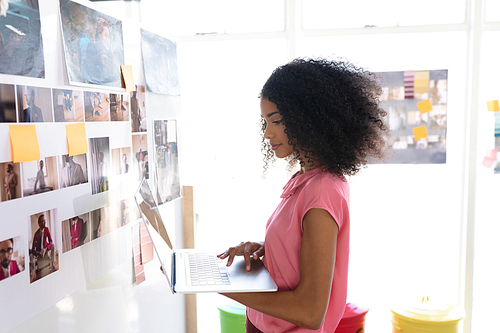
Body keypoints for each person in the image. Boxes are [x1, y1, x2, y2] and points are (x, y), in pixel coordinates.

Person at [217, 57, 389, 332]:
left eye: (276, 121)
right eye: (265, 122)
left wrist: (220, 285)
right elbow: (301, 246)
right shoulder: (307, 179)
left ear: (307, 118)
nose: (268, 133)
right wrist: (266, 247)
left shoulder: (322, 190)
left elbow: (310, 312)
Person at [81, 18, 119, 86]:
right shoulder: (92, 48)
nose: (108, 40)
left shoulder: (109, 54)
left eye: (109, 37)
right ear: (99, 34)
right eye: (105, 35)